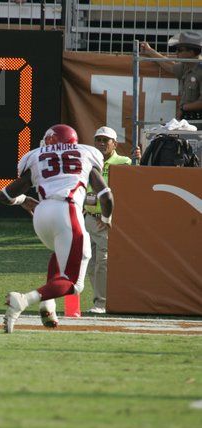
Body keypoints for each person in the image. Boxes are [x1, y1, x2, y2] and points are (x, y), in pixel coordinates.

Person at [0, 124, 114, 333]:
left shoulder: (35, 156)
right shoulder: (86, 153)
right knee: (74, 284)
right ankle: (23, 300)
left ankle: (48, 305)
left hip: (42, 214)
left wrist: (24, 200)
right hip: (67, 211)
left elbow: (4, 196)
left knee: (65, 254)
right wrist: (106, 217)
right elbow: (106, 196)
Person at [83, 127, 134, 314]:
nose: (101, 143)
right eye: (98, 139)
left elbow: (134, 187)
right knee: (89, 262)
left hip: (106, 221)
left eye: (106, 140)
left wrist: (139, 159)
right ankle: (101, 299)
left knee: (102, 262)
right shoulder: (88, 161)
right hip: (89, 218)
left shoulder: (124, 162)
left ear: (115, 144)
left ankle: (102, 303)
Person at [140, 31, 202, 121]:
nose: (177, 52)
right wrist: (150, 51)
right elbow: (170, 65)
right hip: (189, 118)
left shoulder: (199, 70)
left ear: (191, 52)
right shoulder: (187, 66)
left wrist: (183, 108)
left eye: (180, 50)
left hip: (198, 119)